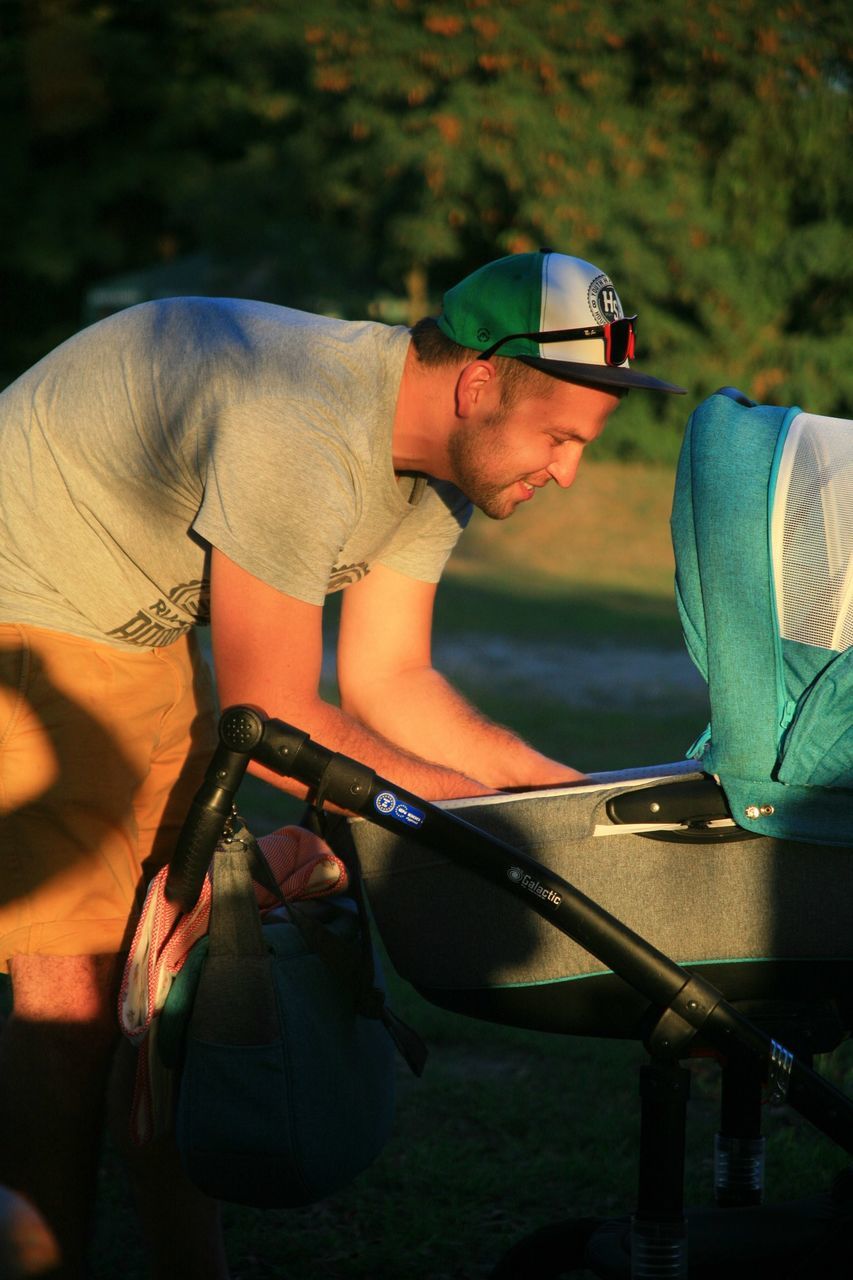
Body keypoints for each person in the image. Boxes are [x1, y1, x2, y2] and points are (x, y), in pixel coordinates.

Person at [0, 248, 684, 1277]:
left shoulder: (439, 469)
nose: (567, 468)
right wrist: (470, 818)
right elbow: (271, 715)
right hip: (24, 612)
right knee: (75, 1010)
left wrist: (556, 800)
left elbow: (389, 682)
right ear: (477, 384)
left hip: (137, 639)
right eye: (557, 435)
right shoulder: (302, 421)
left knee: (175, 980)